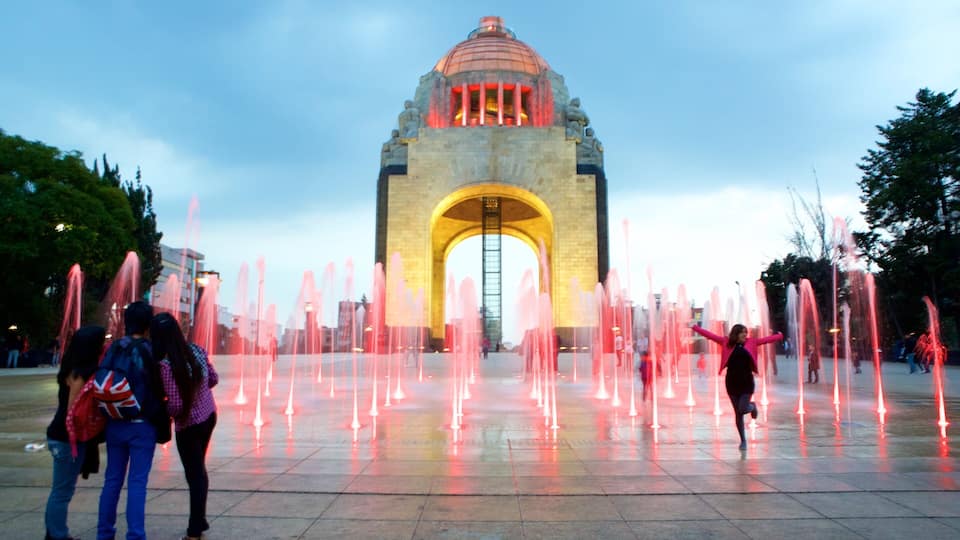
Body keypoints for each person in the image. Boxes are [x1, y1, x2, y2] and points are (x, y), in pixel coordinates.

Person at [97, 300, 165, 540]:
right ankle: (135, 535)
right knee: (137, 482)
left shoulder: (115, 347)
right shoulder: (150, 350)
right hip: (142, 425)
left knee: (112, 480)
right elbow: (158, 387)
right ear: (148, 324)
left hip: (114, 422)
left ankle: (104, 533)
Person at [151, 312, 219, 540]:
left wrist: (162, 411)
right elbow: (213, 379)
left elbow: (177, 406)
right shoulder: (197, 350)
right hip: (208, 416)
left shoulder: (166, 366)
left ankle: (194, 531)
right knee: (199, 470)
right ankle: (199, 520)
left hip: (188, 425)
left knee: (195, 474)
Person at [45, 325, 106, 540]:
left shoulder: (71, 366)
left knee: (60, 490)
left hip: (58, 434)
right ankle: (58, 536)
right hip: (66, 437)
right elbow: (75, 412)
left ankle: (53, 533)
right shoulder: (80, 373)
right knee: (62, 491)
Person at [692, 323, 782, 450]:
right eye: (742, 332)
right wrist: (696, 328)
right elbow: (710, 336)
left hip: (746, 382)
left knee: (743, 408)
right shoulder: (726, 342)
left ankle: (752, 407)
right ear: (736, 334)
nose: (745, 335)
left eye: (746, 332)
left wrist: (778, 336)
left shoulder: (751, 342)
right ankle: (743, 441)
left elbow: (765, 340)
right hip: (732, 382)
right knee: (738, 414)